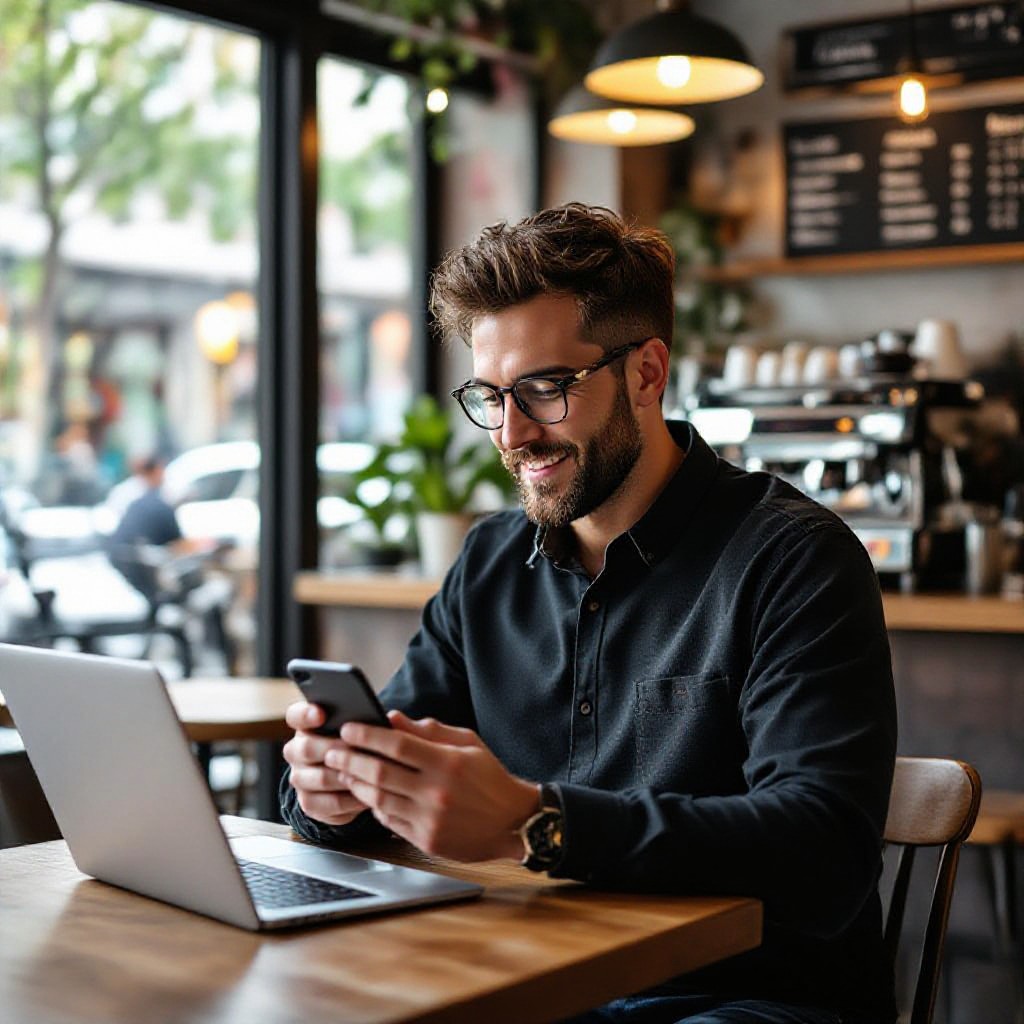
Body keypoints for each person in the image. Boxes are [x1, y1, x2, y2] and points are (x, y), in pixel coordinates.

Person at [281, 203, 897, 1024]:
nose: (512, 434)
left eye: (544, 388)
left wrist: (536, 825)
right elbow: (389, 746)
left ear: (646, 372)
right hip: (532, 978)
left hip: (742, 999)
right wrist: (334, 794)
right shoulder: (490, 563)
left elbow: (823, 853)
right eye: (491, 395)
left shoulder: (793, 559)